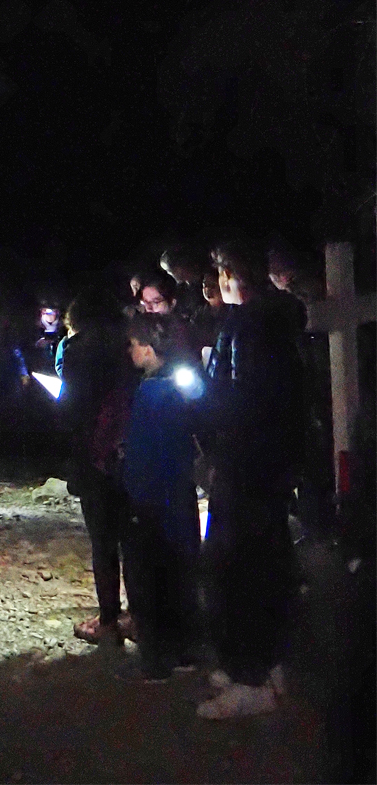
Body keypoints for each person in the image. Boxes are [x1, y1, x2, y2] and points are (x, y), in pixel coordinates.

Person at [195, 241, 304, 719]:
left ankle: (250, 674)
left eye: (228, 273)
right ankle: (270, 662)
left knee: (238, 565)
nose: (222, 284)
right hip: (268, 464)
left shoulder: (249, 327)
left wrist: (211, 432)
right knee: (269, 557)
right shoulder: (274, 326)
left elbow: (240, 398)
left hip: (246, 464)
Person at [122, 315, 202, 679]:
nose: (129, 350)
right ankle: (187, 652)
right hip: (178, 496)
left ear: (149, 348)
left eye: (133, 343)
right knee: (182, 576)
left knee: (150, 582)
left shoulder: (151, 392)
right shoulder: (182, 388)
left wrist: (132, 488)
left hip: (153, 501)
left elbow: (143, 452)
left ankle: (156, 663)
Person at [59, 290, 136, 646]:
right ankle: (137, 614)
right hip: (128, 452)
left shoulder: (77, 351)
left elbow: (72, 408)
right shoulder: (128, 346)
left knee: (102, 540)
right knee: (132, 537)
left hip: (93, 456)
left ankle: (108, 619)